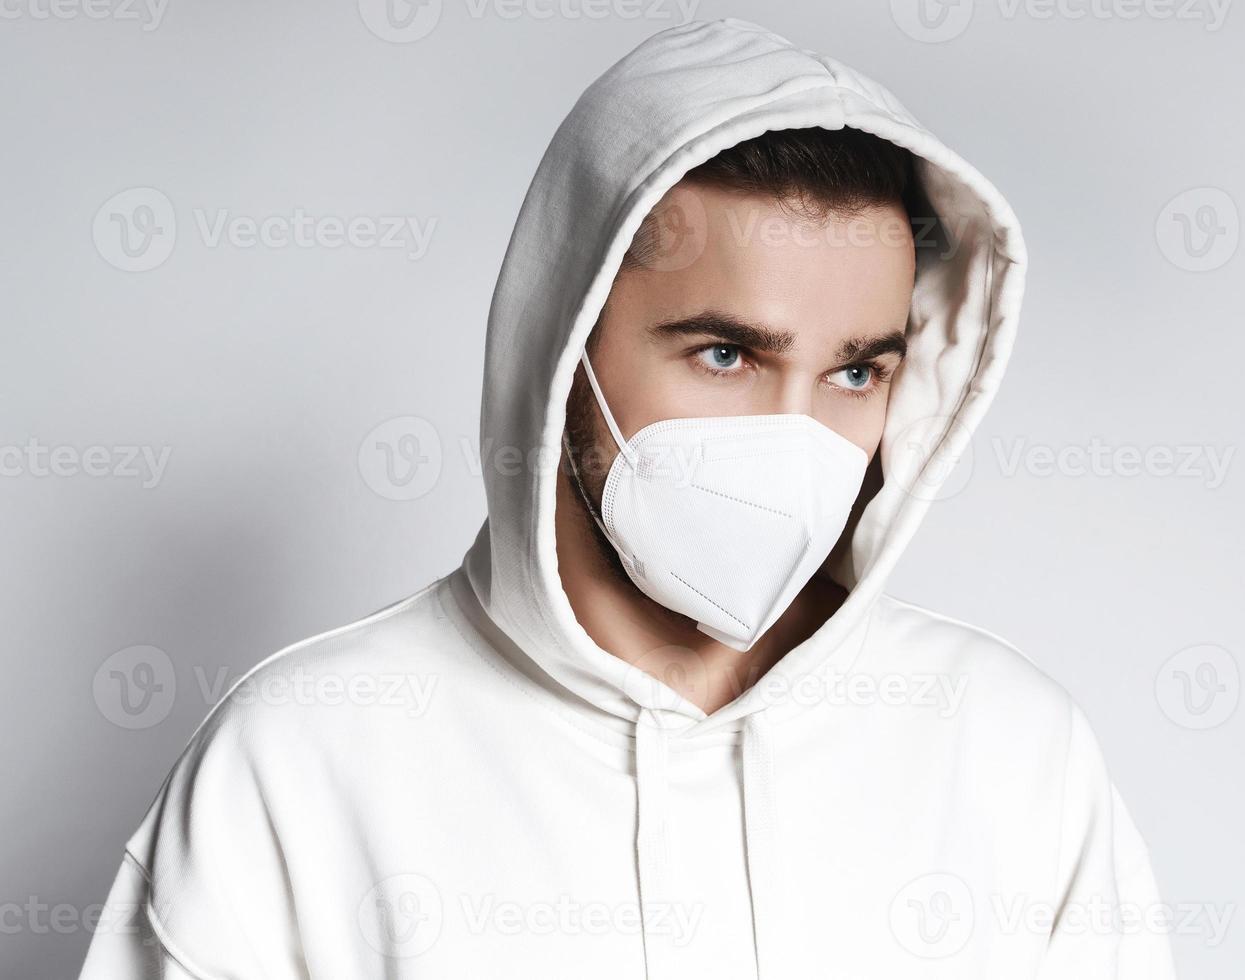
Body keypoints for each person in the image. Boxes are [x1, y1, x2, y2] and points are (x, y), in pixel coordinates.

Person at [80, 18, 1175, 979]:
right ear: (566, 345)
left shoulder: (1010, 755)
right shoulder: (301, 766)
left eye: (856, 371)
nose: (794, 439)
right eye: (726, 354)